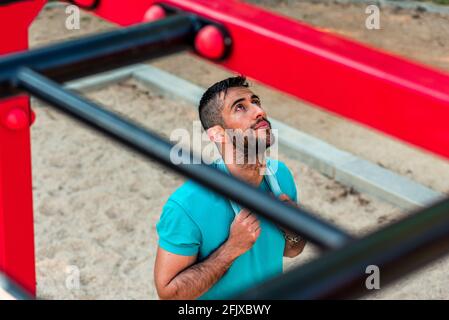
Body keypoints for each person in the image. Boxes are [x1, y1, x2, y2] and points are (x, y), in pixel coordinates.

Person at [154, 76, 306, 300]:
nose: (258, 111)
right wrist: (232, 248)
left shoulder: (280, 176)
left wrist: (293, 230)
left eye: (256, 102)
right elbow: (169, 294)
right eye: (240, 107)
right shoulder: (186, 205)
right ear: (217, 134)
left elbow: (292, 250)